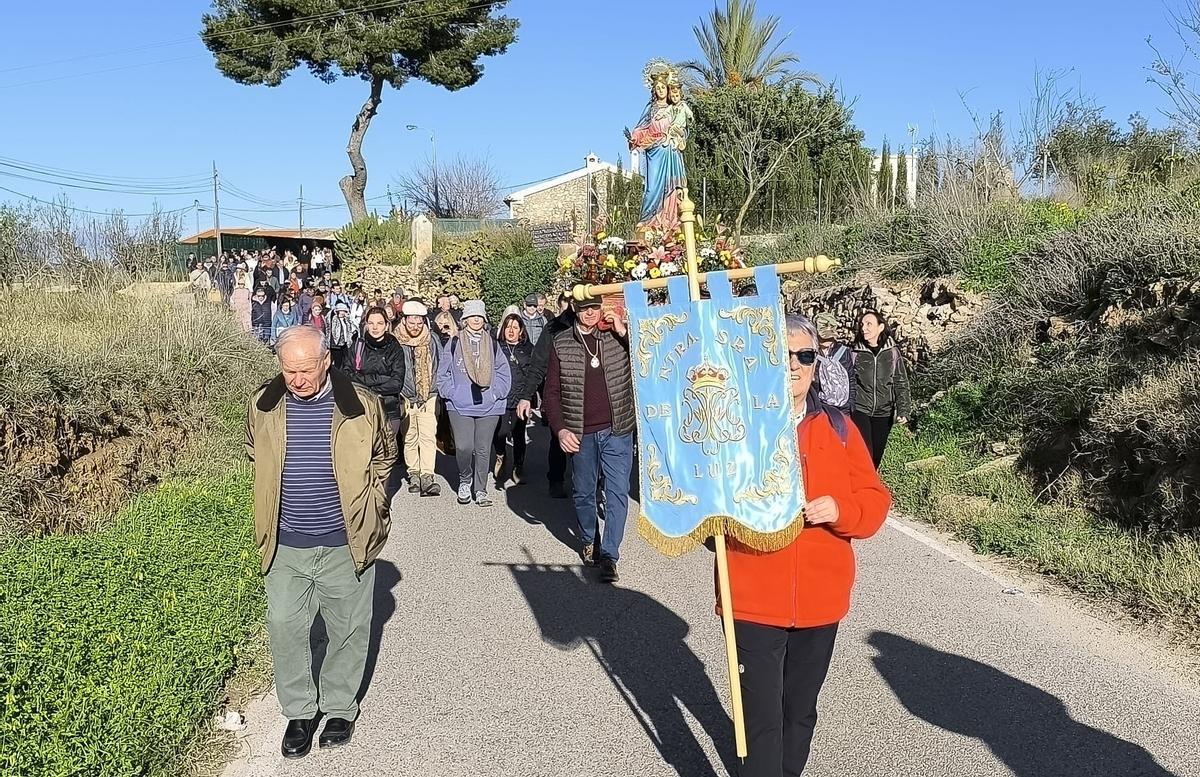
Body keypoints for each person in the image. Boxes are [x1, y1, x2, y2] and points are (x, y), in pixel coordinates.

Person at [724, 314, 891, 777]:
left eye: (805, 355)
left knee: (799, 713)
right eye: (782, 355)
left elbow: (875, 499)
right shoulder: (735, 427)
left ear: (817, 363)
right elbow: (707, 501)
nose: (794, 365)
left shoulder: (839, 427)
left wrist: (841, 510)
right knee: (760, 719)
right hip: (752, 597)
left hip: (820, 600)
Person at [245, 326, 395, 758]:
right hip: (285, 542)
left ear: (326, 361)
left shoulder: (361, 404)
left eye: (306, 370)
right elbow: (254, 450)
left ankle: (339, 708)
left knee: (347, 628)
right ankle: (299, 711)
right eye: (289, 370)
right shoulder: (263, 403)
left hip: (345, 541)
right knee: (285, 627)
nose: (297, 380)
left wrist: (373, 499)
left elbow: (384, 455)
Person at [543, 296, 633, 583]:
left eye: (595, 307)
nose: (591, 313)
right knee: (584, 492)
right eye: (584, 308)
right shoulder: (561, 343)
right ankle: (588, 539)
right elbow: (551, 394)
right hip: (580, 432)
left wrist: (623, 332)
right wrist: (560, 430)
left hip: (617, 428)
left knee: (617, 492)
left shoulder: (616, 336)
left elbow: (647, 358)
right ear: (575, 309)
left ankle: (609, 555)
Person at [436, 300, 511, 507]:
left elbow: (504, 372)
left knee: (483, 449)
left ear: (484, 319)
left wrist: (496, 393)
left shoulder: (492, 344)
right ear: (465, 320)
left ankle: (480, 489)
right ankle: (464, 479)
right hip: (460, 405)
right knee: (464, 447)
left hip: (489, 405)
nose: (476, 320)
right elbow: (443, 373)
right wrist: (451, 393)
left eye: (479, 316)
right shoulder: (454, 343)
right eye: (472, 316)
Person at [515, 298, 574, 498]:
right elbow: (538, 364)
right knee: (558, 437)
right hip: (560, 391)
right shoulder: (553, 328)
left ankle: (590, 484)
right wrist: (526, 396)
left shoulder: (598, 324)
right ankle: (556, 479)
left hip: (587, 392)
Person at [852, 310, 912, 469]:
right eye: (862, 324)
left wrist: (904, 410)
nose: (864, 328)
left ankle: (870, 481)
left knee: (877, 455)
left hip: (884, 412)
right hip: (860, 409)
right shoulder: (855, 353)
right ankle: (862, 482)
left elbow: (901, 381)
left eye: (869, 324)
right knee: (865, 452)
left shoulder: (892, 352)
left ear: (880, 327)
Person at [395, 300, 442, 497]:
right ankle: (413, 472)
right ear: (405, 321)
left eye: (419, 322)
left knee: (428, 435)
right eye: (411, 322)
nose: (415, 327)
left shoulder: (432, 339)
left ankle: (427, 475)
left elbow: (440, 364)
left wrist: (434, 388)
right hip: (405, 395)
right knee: (409, 435)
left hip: (428, 395)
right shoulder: (395, 340)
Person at [343, 308, 407, 446]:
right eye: (371, 323)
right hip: (361, 410)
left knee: (385, 454)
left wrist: (364, 383)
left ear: (387, 325)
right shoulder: (358, 346)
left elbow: (396, 383)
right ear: (366, 324)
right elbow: (347, 376)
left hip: (388, 410)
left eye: (379, 323)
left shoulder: (395, 349)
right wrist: (382, 379)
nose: (375, 327)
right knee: (363, 453)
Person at [492, 313, 533, 489]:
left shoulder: (528, 349)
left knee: (518, 433)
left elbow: (534, 374)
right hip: (501, 397)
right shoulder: (496, 347)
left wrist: (530, 397)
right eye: (508, 327)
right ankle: (500, 455)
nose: (511, 330)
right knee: (500, 431)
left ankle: (518, 466)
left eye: (515, 327)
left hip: (520, 397)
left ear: (521, 330)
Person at [813, 312, 854, 414]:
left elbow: (851, 378)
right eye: (824, 336)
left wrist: (850, 404)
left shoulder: (844, 351)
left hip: (844, 408)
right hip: (821, 408)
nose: (827, 340)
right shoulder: (811, 353)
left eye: (830, 337)